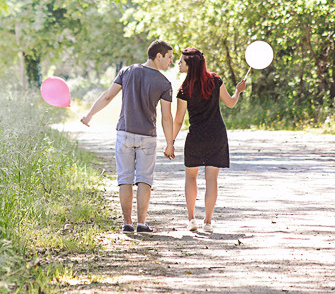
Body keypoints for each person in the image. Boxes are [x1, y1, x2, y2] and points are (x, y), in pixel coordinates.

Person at [80, 40, 175, 233]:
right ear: (159, 56)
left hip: (124, 133)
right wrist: (169, 143)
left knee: (125, 179)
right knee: (144, 180)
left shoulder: (127, 71)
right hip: (147, 136)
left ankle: (127, 224)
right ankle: (141, 223)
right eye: (169, 57)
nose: (171, 62)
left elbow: (108, 96)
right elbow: (167, 117)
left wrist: (89, 115)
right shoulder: (164, 83)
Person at [169, 47, 247, 233]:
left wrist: (170, 142)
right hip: (216, 135)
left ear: (190, 66)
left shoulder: (184, 89)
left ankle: (191, 219)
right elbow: (231, 103)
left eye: (181, 61)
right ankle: (208, 222)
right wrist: (238, 91)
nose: (178, 64)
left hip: (196, 136)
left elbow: (179, 120)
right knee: (211, 179)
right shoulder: (215, 81)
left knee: (191, 177)